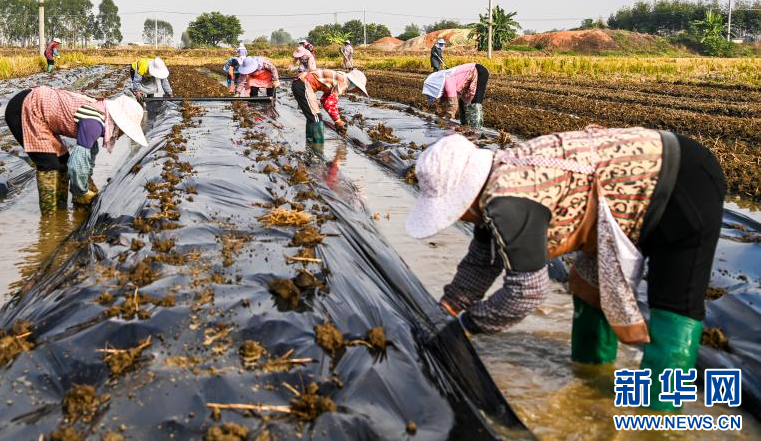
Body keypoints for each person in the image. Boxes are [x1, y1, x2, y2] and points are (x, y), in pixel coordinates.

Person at [406, 127, 724, 411]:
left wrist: (464, 326)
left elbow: (526, 294)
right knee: (588, 293)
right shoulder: (494, 185)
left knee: (673, 312)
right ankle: (590, 384)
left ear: (465, 197)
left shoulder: (508, 201)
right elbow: (481, 262)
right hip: (617, 203)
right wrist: (444, 311)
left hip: (681, 182)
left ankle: (656, 416)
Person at [5, 86, 148, 215]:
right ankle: (49, 220)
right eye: (125, 131)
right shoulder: (94, 122)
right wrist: (82, 192)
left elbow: (89, 154)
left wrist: (87, 181)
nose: (123, 135)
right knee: (50, 165)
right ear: (119, 124)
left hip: (41, 112)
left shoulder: (101, 114)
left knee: (63, 162)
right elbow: (77, 165)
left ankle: (60, 212)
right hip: (25, 108)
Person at [291, 68, 368, 143]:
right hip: (303, 84)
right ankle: (317, 146)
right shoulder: (343, 82)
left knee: (313, 116)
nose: (357, 92)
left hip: (301, 83)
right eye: (358, 89)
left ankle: (310, 141)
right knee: (316, 117)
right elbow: (330, 103)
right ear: (354, 85)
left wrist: (336, 120)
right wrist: (338, 121)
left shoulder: (339, 78)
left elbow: (325, 100)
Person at [422, 62, 489, 127]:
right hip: (469, 77)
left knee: (475, 101)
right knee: (462, 102)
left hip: (479, 71)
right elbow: (443, 103)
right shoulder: (443, 86)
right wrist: (439, 115)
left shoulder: (448, 81)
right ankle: (465, 125)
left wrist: (446, 118)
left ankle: (476, 128)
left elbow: (453, 104)